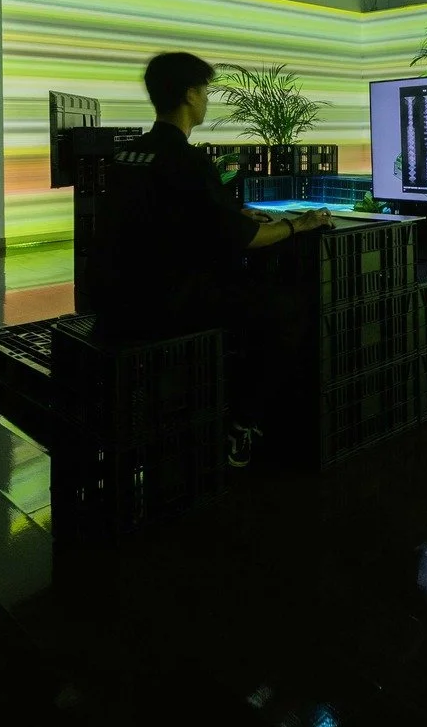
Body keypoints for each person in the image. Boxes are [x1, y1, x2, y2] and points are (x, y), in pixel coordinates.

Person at [103, 51, 331, 466]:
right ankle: (242, 424)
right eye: (205, 90)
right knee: (289, 309)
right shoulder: (187, 159)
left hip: (119, 299)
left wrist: (231, 214)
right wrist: (300, 224)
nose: (207, 99)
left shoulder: (129, 154)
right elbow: (248, 239)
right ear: (190, 94)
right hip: (173, 303)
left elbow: (171, 216)